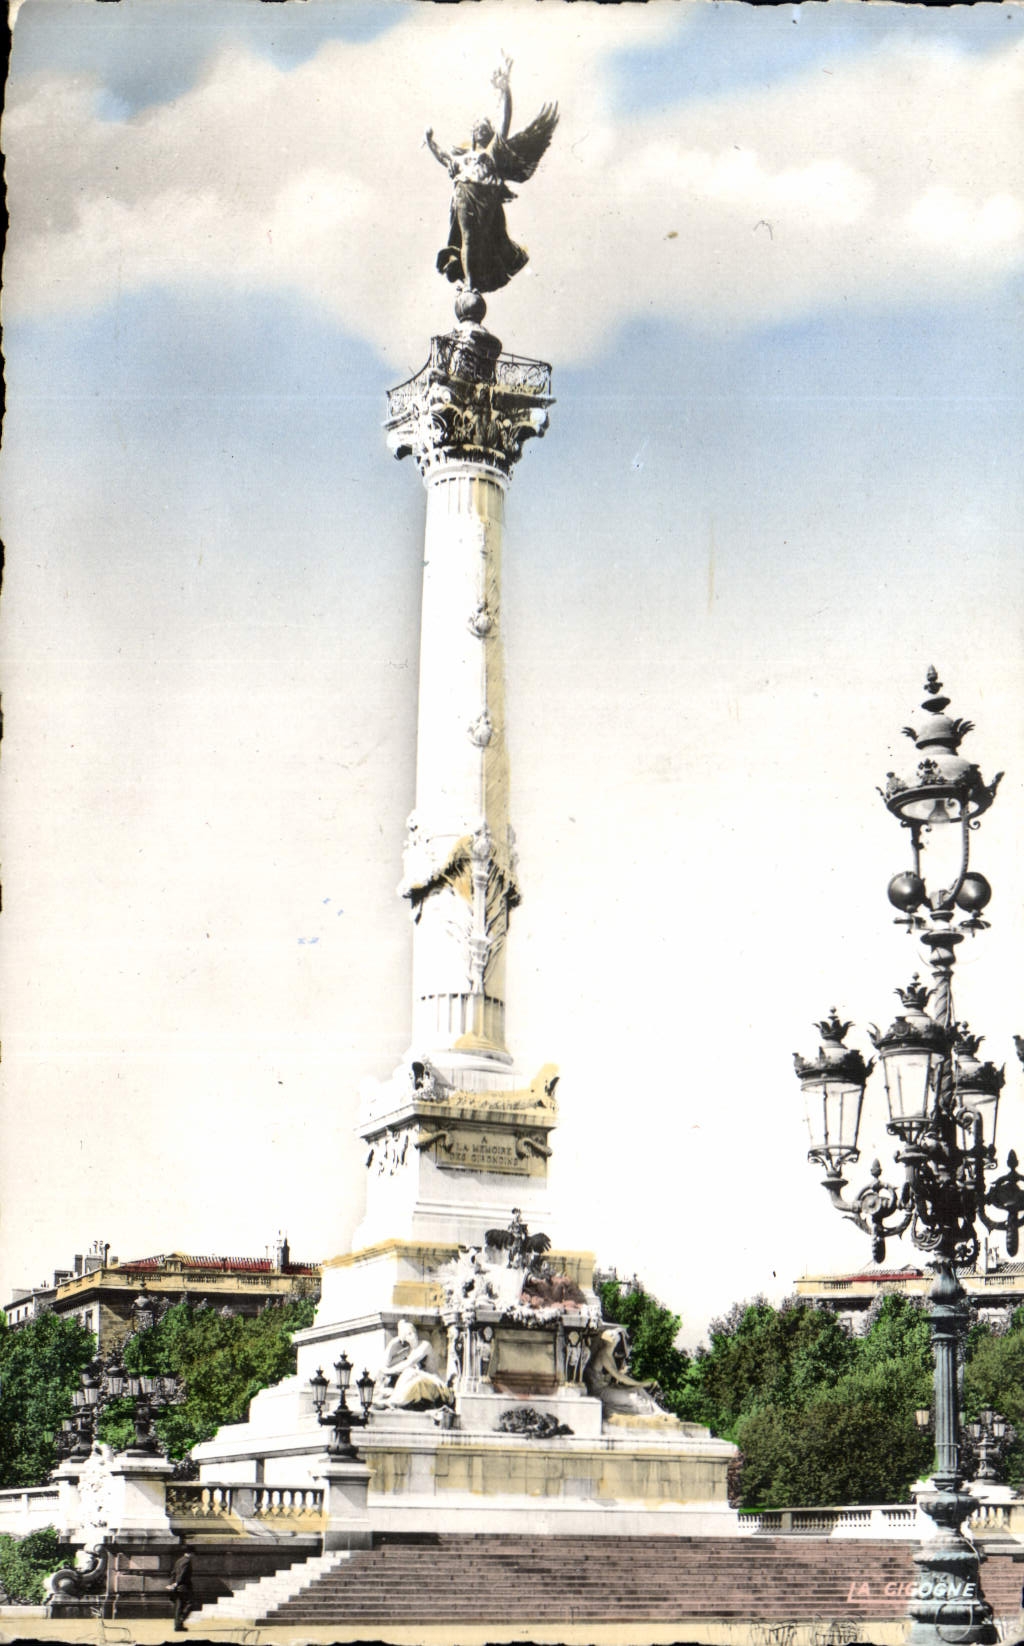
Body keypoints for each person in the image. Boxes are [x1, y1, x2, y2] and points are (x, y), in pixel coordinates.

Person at [424, 58, 557, 295]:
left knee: (480, 243)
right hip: (464, 197)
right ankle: (470, 284)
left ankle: (473, 282)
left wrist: (505, 90)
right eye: (478, 127)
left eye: (485, 126)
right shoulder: (463, 160)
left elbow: (505, 121)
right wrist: (430, 141)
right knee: (468, 241)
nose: (481, 127)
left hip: (485, 202)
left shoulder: (494, 152)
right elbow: (444, 157)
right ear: (474, 135)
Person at [167, 1549, 193, 1631]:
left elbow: (173, 1573)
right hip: (184, 1586)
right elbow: (183, 1574)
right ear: (190, 1553)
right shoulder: (187, 1561)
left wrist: (172, 1583)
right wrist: (177, 1583)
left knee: (179, 1606)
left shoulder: (179, 1560)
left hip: (177, 1587)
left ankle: (178, 1626)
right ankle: (181, 1618)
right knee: (190, 1603)